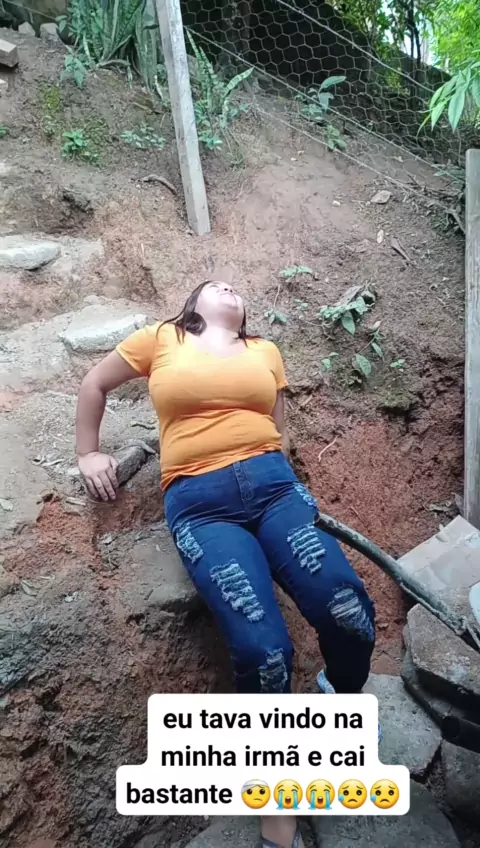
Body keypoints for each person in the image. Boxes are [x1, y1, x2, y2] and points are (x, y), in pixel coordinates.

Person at [75, 280, 376, 848]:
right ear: (192, 305)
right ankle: (276, 810)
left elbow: (277, 429)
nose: (229, 287)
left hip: (276, 491)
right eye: (215, 284)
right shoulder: (161, 339)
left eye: (235, 288)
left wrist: (269, 469)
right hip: (201, 505)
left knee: (348, 612)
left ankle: (336, 702)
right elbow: (95, 383)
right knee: (265, 653)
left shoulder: (265, 351)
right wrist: (88, 451)